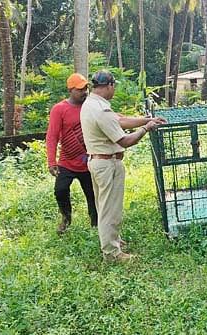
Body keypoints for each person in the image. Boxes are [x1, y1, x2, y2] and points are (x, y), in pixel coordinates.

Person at [80, 70, 166, 262]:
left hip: (99, 161)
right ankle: (112, 253)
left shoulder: (92, 103)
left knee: (105, 206)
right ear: (109, 85)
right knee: (110, 209)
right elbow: (125, 140)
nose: (114, 89)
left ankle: (113, 241)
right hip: (107, 163)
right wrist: (146, 128)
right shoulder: (100, 110)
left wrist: (147, 119)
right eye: (114, 86)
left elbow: (120, 120)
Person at [46, 73, 98, 234]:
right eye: (80, 89)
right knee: (60, 190)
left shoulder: (90, 105)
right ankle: (66, 218)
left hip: (88, 161)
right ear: (70, 90)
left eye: (86, 88)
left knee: (93, 195)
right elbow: (52, 136)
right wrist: (51, 162)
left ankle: (96, 225)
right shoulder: (59, 109)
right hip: (67, 161)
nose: (84, 92)